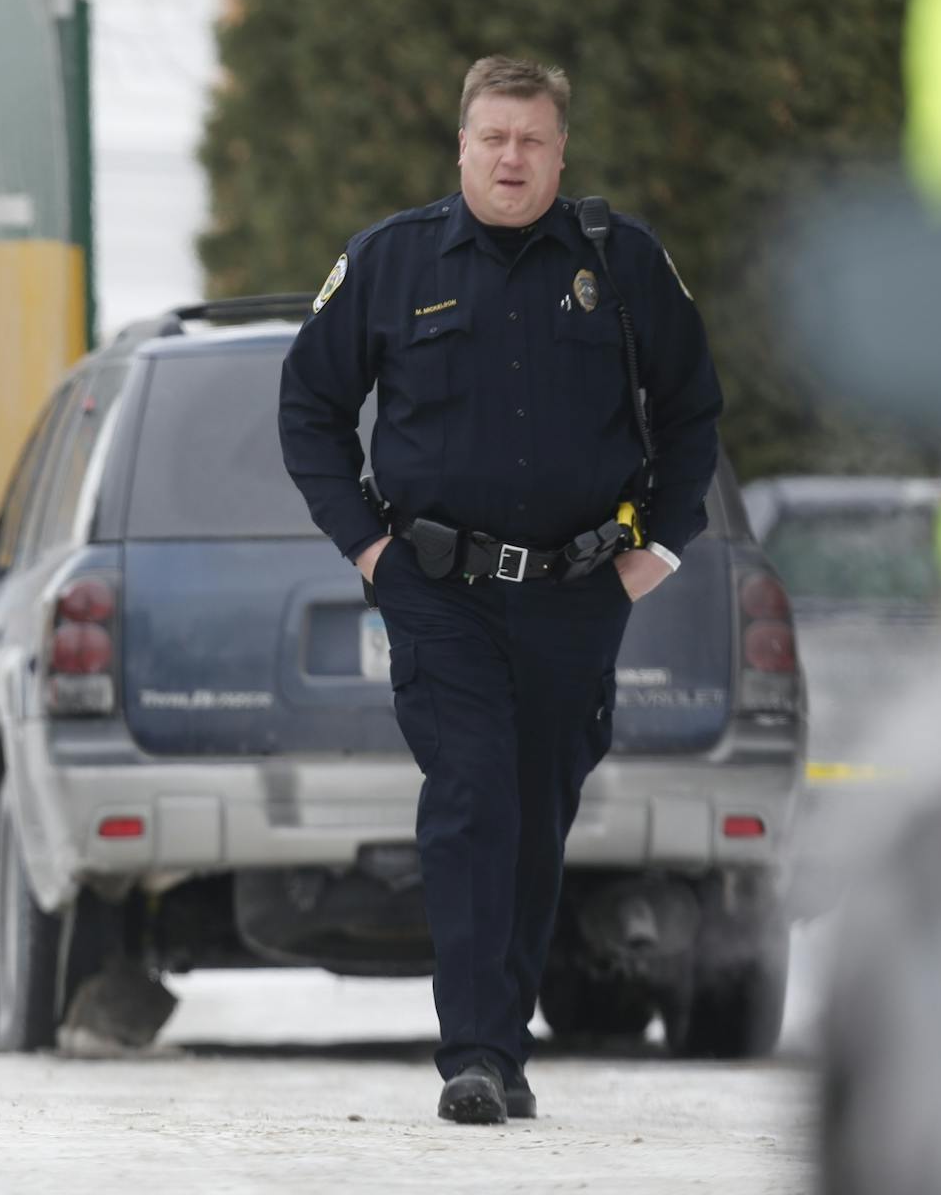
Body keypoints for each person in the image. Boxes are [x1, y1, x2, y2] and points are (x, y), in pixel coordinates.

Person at [279, 55, 722, 1124]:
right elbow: (310, 411)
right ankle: (474, 1051)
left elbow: (693, 410)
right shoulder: (391, 261)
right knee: (475, 796)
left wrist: (654, 552)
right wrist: (368, 551)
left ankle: (502, 1043)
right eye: (493, 137)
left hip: (579, 590)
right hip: (440, 588)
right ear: (463, 146)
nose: (511, 157)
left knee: (536, 812)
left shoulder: (622, 262)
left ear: (560, 152)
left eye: (532, 139)